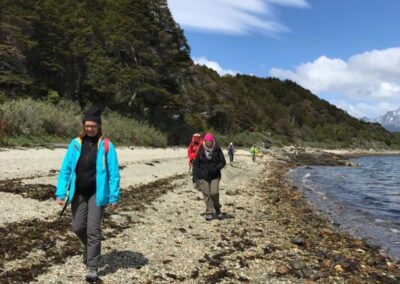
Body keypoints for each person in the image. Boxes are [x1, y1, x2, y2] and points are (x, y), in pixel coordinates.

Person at [55, 106, 120, 281]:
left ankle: (93, 266)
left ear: (99, 126)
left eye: (93, 126)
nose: (90, 128)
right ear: (83, 125)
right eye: (87, 125)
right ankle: (89, 248)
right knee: (77, 227)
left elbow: (114, 173)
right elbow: (65, 170)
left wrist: (114, 195)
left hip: (97, 195)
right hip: (78, 193)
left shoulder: (107, 146)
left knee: (93, 230)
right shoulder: (75, 144)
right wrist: (61, 192)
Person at [193, 133, 226, 221]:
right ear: (204, 142)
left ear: (213, 141)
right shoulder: (201, 149)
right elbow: (196, 164)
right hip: (203, 175)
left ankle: (217, 208)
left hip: (215, 175)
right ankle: (209, 211)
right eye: (206, 142)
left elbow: (223, 162)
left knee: (214, 193)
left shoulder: (217, 149)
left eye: (209, 142)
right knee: (206, 193)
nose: (208, 144)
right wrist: (195, 177)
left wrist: (216, 168)